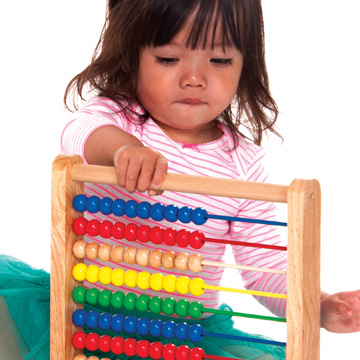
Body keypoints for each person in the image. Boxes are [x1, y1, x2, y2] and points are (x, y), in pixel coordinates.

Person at [61, 0, 360, 359]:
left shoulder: (243, 166)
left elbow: (264, 268)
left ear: (245, 64)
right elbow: (80, 132)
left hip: (186, 337)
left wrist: (320, 304)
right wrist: (124, 149)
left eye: (220, 61)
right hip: (88, 321)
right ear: (130, 57)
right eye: (168, 59)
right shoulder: (117, 118)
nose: (194, 78)